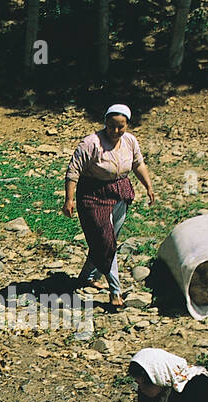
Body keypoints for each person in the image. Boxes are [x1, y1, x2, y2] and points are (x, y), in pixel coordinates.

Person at [63, 103, 156, 310]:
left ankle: (87, 276)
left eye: (120, 127)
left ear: (127, 125)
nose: (115, 131)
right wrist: (69, 199)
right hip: (93, 194)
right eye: (112, 126)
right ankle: (115, 291)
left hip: (120, 191)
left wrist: (148, 186)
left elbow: (138, 164)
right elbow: (73, 172)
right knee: (106, 240)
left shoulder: (130, 141)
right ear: (105, 122)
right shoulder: (90, 143)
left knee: (107, 238)